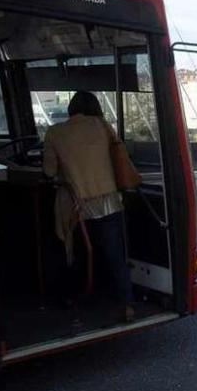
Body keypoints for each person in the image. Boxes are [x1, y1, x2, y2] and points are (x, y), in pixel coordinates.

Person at [43, 91, 134, 321]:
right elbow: (118, 153)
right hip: (110, 202)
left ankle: (72, 297)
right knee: (115, 255)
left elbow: (49, 171)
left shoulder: (54, 132)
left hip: (77, 207)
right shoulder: (103, 126)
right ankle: (126, 304)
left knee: (74, 252)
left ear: (71, 107)